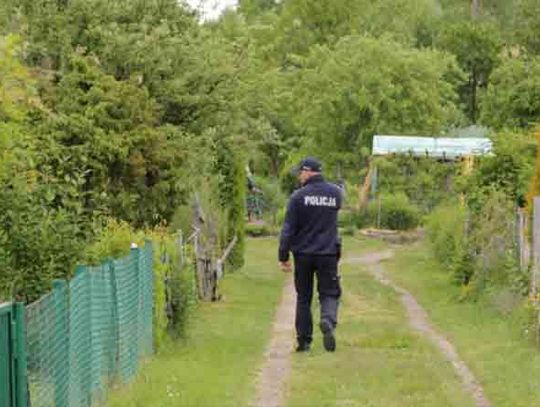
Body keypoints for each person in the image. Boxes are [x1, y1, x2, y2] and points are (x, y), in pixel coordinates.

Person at [279, 157, 343, 352]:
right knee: (330, 292)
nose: (299, 176)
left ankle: (304, 342)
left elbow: (288, 229)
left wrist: (283, 255)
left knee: (303, 297)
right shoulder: (335, 194)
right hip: (328, 253)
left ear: (308, 172)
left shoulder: (298, 197)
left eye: (300, 172)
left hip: (303, 254)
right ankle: (327, 320)